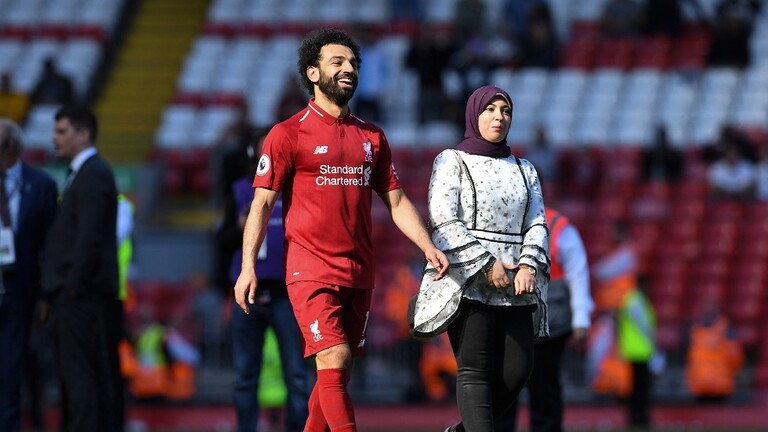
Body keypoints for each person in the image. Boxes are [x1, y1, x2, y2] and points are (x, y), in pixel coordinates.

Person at [233, 28, 449, 432]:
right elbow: (260, 204)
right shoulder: (286, 134)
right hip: (309, 269)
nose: (349, 69)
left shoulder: (372, 136)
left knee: (336, 372)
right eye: (338, 62)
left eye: (354, 64)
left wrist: (426, 245)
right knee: (333, 360)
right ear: (313, 73)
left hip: (358, 271)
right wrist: (248, 267)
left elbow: (397, 200)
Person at [411, 85, 549, 432]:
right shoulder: (451, 160)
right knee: (474, 371)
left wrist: (529, 264)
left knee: (518, 371)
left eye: (505, 111)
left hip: (515, 283)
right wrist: (487, 265)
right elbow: (443, 221)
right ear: (474, 114)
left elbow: (537, 222)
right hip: (468, 280)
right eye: (489, 110)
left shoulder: (525, 168)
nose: (498, 117)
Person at [41, 105, 118, 431]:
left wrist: (71, 287)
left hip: (81, 295)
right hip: (78, 293)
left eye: (62, 131)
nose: (54, 138)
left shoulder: (93, 174)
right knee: (79, 375)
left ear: (83, 133)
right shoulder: (85, 174)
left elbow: (88, 239)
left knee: (80, 376)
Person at [230, 127, 310, 432]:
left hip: (288, 293)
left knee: (297, 376)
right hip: (248, 291)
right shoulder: (241, 189)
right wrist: (238, 226)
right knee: (244, 377)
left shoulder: (299, 188)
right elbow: (221, 239)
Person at [500, 205, 593, 432]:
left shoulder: (558, 226)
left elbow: (577, 273)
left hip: (551, 322)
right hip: (510, 317)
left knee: (543, 386)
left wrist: (581, 318)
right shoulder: (501, 220)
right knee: (505, 386)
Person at [0, 118, 58, 432]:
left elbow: (50, 247)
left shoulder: (42, 186)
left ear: (9, 146)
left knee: (11, 379)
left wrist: (46, 293)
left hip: (19, 295)